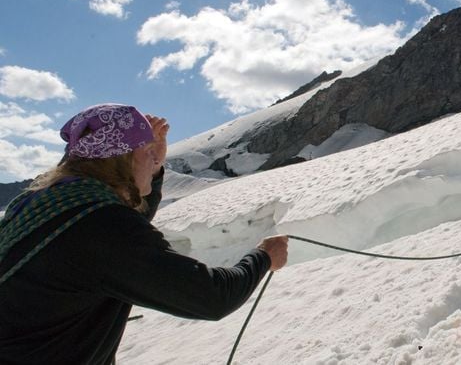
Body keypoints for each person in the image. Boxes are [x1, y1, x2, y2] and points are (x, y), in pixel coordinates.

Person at [0, 103, 288, 365]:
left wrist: (157, 165)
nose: (155, 160)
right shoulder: (102, 226)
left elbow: (123, 240)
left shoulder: (44, 203)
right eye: (148, 152)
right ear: (120, 159)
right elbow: (210, 297)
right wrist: (263, 257)